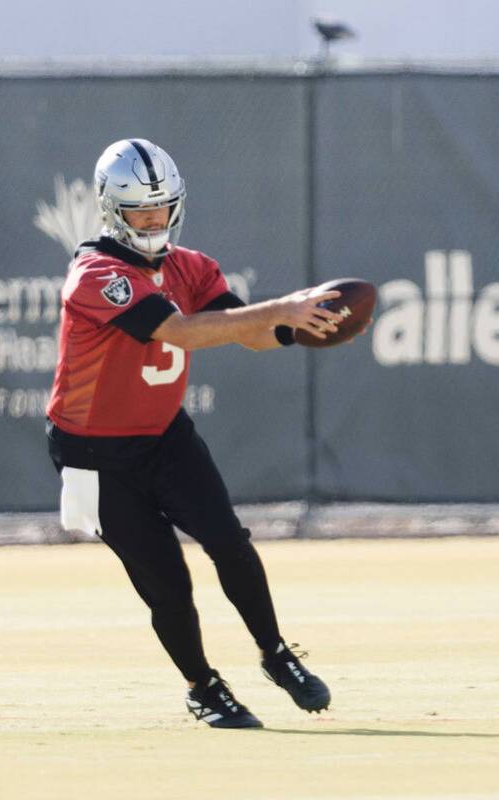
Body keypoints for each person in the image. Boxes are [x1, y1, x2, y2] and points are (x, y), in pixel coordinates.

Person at [46, 138, 348, 728]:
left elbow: (248, 333)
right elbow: (179, 331)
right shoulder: (95, 274)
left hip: (164, 435)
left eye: (162, 210)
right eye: (141, 213)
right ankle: (203, 687)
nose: (154, 222)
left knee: (228, 541)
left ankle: (275, 654)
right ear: (112, 210)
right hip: (93, 453)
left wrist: (303, 328)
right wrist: (281, 306)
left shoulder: (192, 266)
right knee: (166, 580)